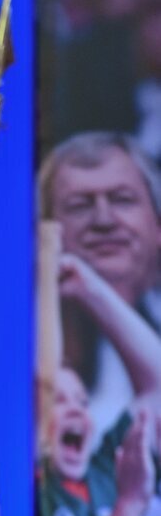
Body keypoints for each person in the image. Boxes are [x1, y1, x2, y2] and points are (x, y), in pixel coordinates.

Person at [37, 247, 161, 516]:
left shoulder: (106, 472)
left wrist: (91, 289)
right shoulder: (34, 488)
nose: (75, 408)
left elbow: (157, 387)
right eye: (60, 399)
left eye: (82, 401)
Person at [39, 132, 161, 440]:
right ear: (45, 230)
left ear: (157, 225)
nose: (104, 220)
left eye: (122, 200)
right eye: (80, 205)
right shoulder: (21, 340)